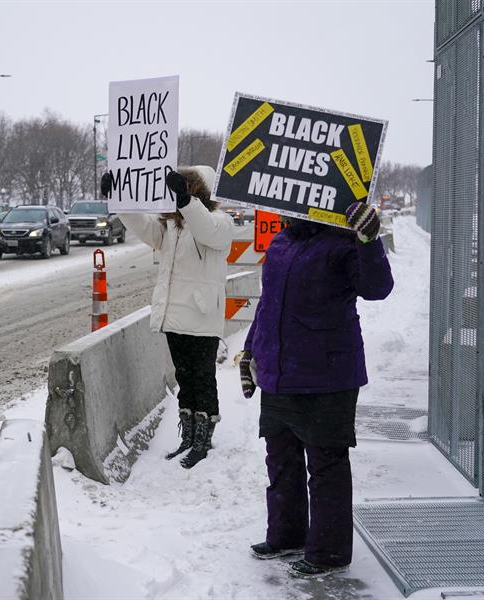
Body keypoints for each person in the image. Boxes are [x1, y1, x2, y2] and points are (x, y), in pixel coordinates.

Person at [240, 202, 393, 579]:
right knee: (281, 458)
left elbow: (378, 288)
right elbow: (267, 307)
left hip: (328, 375)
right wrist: (250, 351)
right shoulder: (279, 243)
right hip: (279, 372)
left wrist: (369, 240)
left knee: (326, 466)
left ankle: (328, 552)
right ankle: (287, 535)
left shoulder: (343, 242)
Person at [101, 166, 234, 469]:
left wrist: (187, 201)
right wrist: (118, 199)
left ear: (199, 192)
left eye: (186, 189)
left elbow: (207, 231)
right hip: (174, 316)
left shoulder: (220, 223)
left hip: (201, 317)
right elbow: (142, 226)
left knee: (203, 379)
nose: (176, 195)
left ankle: (203, 441)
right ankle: (187, 438)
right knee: (184, 378)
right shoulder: (170, 228)